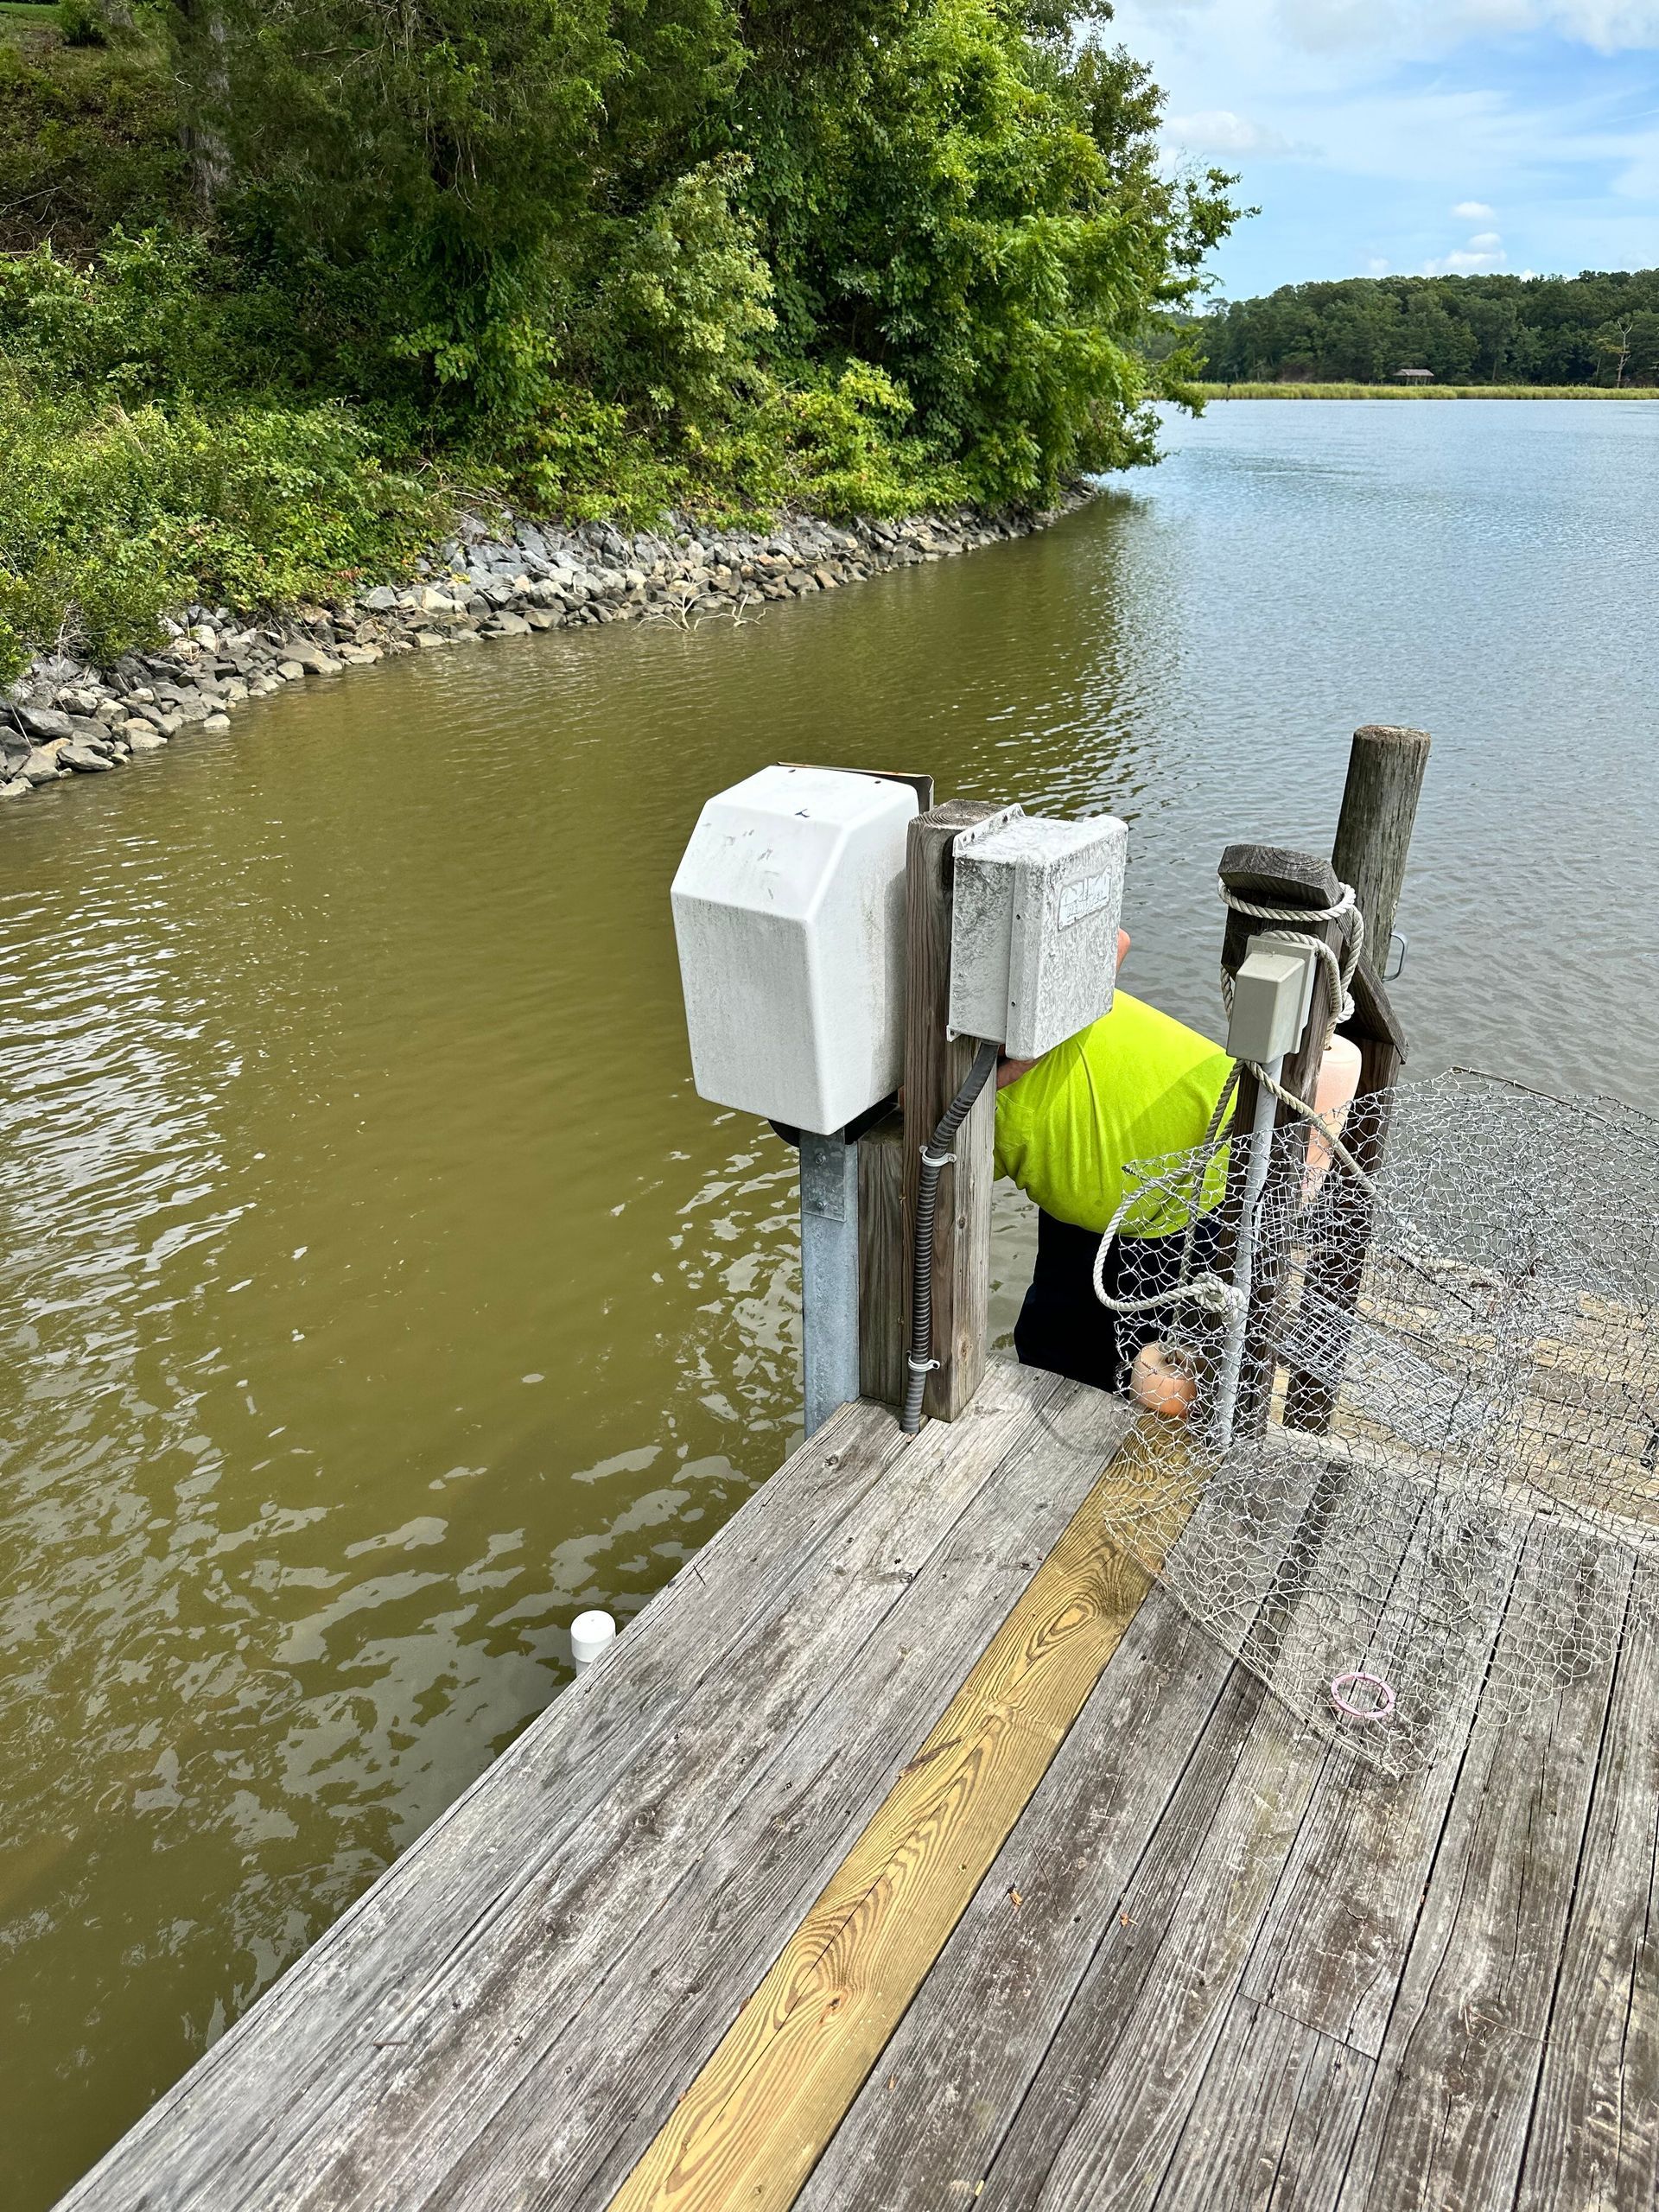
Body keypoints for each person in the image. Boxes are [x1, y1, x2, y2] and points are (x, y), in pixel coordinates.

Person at [994, 931, 1236, 1394]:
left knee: (1147, 1375)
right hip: (1093, 1166)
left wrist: (1024, 1053)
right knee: (1048, 1340)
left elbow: (1116, 941)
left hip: (1195, 1180)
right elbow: (1117, 940)